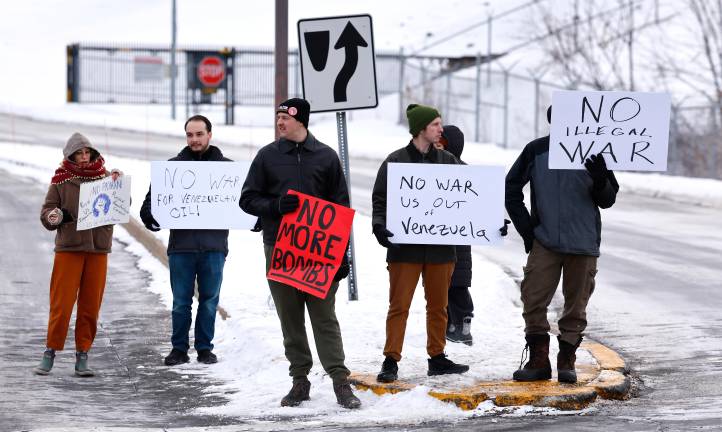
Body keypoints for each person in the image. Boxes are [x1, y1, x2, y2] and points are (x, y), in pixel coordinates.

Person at [239, 98, 361, 410]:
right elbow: (248, 199)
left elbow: (341, 210)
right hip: (279, 249)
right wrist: (275, 206)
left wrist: (342, 257)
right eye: (278, 117)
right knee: (290, 318)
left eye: (285, 118)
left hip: (320, 254)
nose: (280, 123)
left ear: (301, 121)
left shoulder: (326, 157)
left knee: (324, 317)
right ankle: (300, 380)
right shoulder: (267, 156)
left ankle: (339, 381)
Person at [505, 106, 619, 383]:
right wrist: (528, 230)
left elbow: (608, 199)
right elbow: (511, 188)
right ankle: (538, 361)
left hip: (583, 243)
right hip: (545, 241)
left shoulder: (595, 152)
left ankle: (567, 360)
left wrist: (601, 178)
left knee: (576, 307)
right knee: (532, 298)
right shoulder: (536, 150)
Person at [372, 104, 472, 383]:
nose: (441, 130)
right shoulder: (395, 161)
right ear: (421, 129)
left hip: (442, 250)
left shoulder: (449, 161)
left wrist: (489, 223)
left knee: (439, 307)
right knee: (399, 305)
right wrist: (379, 226)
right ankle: (391, 359)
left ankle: (437, 357)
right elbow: (380, 199)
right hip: (405, 249)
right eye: (436, 125)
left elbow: (472, 195)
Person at [140, 115, 230, 366]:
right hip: (181, 248)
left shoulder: (227, 170)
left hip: (213, 248)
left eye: (199, 134)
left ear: (210, 135)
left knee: (209, 301)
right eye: (190, 135)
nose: (195, 139)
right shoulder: (171, 169)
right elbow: (148, 208)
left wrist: (255, 220)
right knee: (181, 302)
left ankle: (204, 348)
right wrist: (155, 220)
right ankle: (178, 349)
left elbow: (244, 204)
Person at [35, 132, 122, 377]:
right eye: (79, 153)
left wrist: (118, 184)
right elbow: (47, 211)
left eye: (87, 153)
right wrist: (54, 216)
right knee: (61, 304)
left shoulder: (106, 177)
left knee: (90, 306)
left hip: (97, 250)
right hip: (69, 249)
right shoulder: (61, 180)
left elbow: (120, 206)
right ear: (70, 156)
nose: (84, 157)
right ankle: (50, 351)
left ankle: (83, 354)